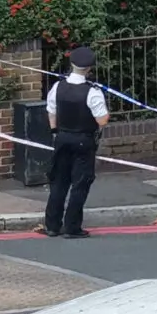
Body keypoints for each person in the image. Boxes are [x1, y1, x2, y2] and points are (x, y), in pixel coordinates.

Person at [44, 46, 109, 238]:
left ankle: (52, 225)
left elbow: (51, 112)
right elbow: (102, 120)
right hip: (83, 140)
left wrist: (55, 131)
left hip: (62, 138)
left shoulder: (58, 87)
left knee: (59, 181)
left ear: (71, 64)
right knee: (80, 184)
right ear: (89, 68)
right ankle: (72, 227)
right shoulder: (93, 92)